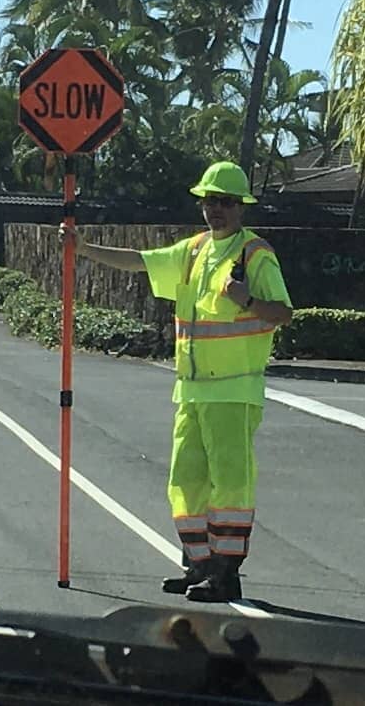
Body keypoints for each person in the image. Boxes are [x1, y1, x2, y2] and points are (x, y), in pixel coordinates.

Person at [79, 160, 290, 604]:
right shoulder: (194, 251)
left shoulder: (255, 255)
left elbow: (282, 313)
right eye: (211, 201)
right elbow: (139, 262)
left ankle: (226, 572)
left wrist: (245, 299)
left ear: (241, 209)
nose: (217, 210)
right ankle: (198, 563)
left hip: (234, 390)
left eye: (226, 203)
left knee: (230, 483)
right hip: (192, 389)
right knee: (185, 479)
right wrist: (83, 249)